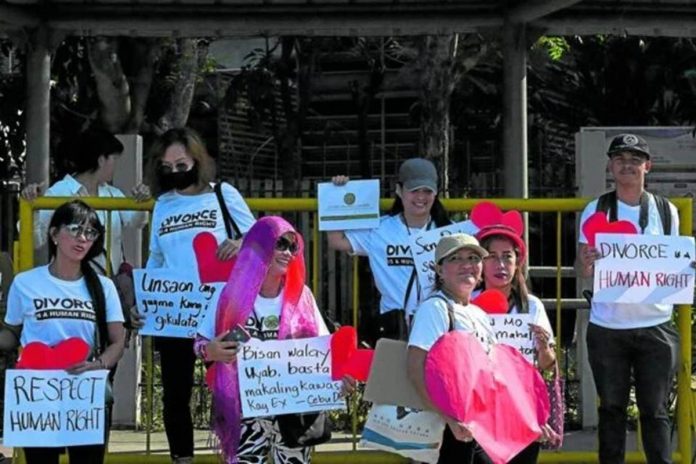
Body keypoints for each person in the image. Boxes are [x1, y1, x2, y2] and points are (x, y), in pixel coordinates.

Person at [189, 216, 353, 464]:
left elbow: (322, 352)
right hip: (244, 411)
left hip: (294, 413)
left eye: (293, 246)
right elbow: (199, 345)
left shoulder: (302, 296)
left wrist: (338, 377)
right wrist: (210, 350)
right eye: (281, 244)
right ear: (259, 246)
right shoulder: (227, 295)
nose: (288, 252)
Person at [135, 127, 255, 464]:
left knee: (229, 390)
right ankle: (181, 458)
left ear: (197, 161)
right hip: (175, 313)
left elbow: (262, 237)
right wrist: (147, 302)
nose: (175, 171)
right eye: (167, 166)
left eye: (181, 163)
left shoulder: (223, 194)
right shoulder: (162, 204)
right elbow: (156, 259)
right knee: (175, 395)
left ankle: (236, 456)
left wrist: (240, 242)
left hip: (222, 311)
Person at [577, 133, 680, 464]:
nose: (627, 165)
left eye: (635, 160)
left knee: (655, 410)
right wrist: (588, 261)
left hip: (656, 324)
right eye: (621, 158)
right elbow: (583, 269)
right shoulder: (596, 209)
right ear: (610, 165)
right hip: (608, 325)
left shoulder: (666, 211)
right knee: (612, 409)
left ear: (647, 167)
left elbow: (672, 262)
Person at [0, 200, 126, 464]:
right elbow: (11, 333)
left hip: (85, 392)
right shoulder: (26, 283)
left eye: (90, 233)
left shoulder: (103, 287)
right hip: (38, 393)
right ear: (54, 234)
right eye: (75, 229)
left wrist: (99, 365)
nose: (83, 238)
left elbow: (118, 340)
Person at [327, 158, 452, 340]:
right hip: (394, 328)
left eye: (427, 191)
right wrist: (337, 194)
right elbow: (336, 240)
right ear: (399, 190)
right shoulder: (379, 229)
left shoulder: (450, 233)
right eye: (414, 190)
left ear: (436, 193)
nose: (421, 197)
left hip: (441, 326)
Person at [473, 210, 557, 463]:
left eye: (507, 257)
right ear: (480, 264)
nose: (500, 265)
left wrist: (543, 348)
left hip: (522, 407)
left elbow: (548, 365)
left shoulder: (531, 306)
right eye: (492, 257)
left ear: (517, 262)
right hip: (480, 406)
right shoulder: (467, 305)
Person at [406, 233, 497, 463]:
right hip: (446, 429)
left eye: (474, 258)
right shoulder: (435, 309)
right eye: (456, 258)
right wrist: (448, 419)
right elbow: (415, 368)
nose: (467, 265)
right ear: (439, 269)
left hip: (476, 426)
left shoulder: (479, 314)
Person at [21, 127, 150, 273]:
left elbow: (136, 222)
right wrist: (33, 207)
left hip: (106, 283)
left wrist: (142, 202)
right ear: (101, 160)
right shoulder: (60, 192)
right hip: (69, 284)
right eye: (114, 159)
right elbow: (35, 239)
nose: (115, 165)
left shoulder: (112, 193)